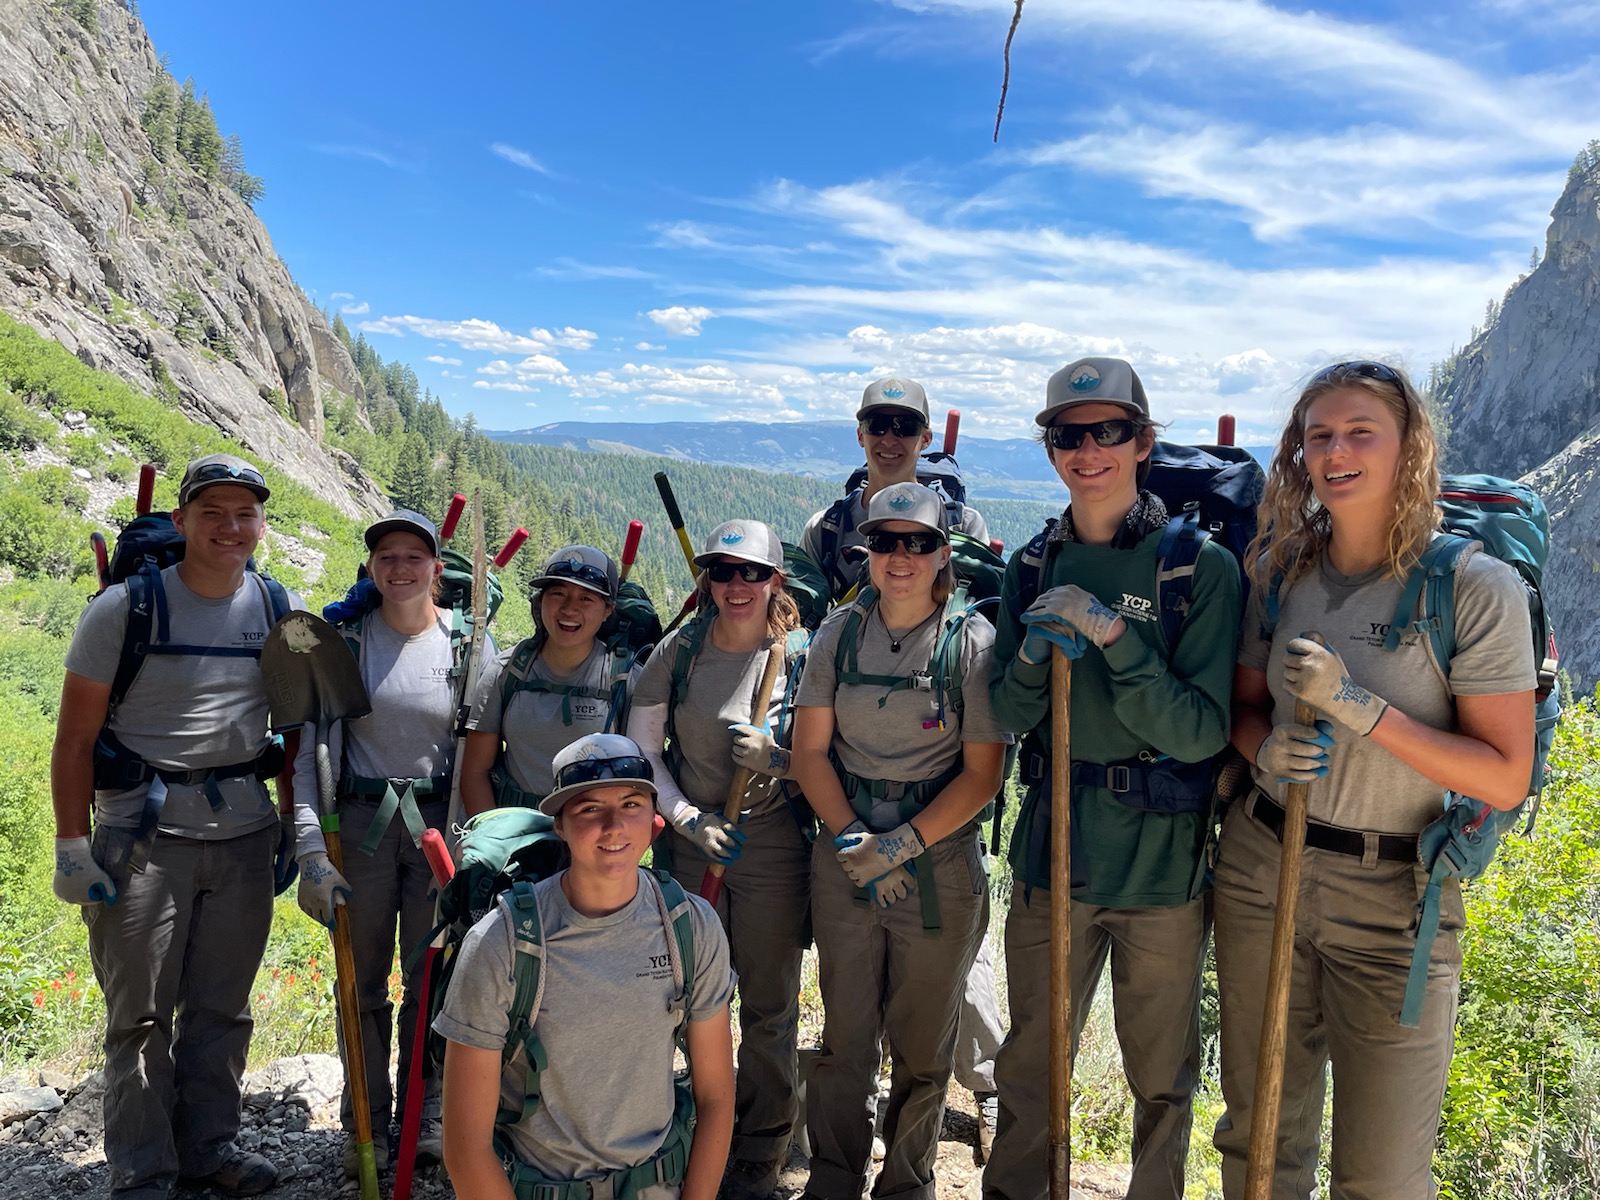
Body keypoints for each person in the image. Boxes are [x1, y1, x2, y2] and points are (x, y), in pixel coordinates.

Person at [1212, 361, 1535, 1199]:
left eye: (1361, 432)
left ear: (1409, 449)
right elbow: (1246, 711)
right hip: (1262, 871)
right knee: (1258, 1141)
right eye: (1319, 435)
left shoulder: (1470, 587)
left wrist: (1360, 707)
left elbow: (1504, 777)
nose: (1337, 451)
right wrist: (1262, 753)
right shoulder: (1283, 574)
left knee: (1385, 1175)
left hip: (1397, 902)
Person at [984, 358, 1242, 1200]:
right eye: (1069, 435)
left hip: (1161, 865)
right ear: (1050, 449)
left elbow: (1200, 731)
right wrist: (1029, 655)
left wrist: (1114, 640)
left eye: (1109, 431)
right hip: (1051, 851)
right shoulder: (1030, 565)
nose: (1088, 450)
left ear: (1143, 441)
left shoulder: (1196, 571)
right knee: (1029, 1061)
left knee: (1160, 1075)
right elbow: (1010, 716)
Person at [51, 453, 300, 1199]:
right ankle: (143, 1171)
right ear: (183, 519)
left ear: (261, 523)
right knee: (139, 1015)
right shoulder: (124, 609)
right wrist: (71, 846)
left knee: (222, 1006)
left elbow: (289, 730)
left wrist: (298, 828)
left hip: (245, 836)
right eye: (213, 512)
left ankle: (208, 1148)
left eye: (245, 513)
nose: (231, 526)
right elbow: (72, 739)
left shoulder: (274, 605)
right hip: (142, 841)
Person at [798, 374, 1007, 1157]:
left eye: (918, 544)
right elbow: (813, 742)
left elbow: (981, 772)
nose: (899, 555)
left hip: (938, 839)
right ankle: (835, 1168)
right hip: (846, 816)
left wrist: (903, 844)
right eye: (884, 543)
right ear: (860, 432)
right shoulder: (833, 561)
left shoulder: (967, 638)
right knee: (849, 1026)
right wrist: (854, 837)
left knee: (934, 1010)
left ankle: (940, 1137)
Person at [435, 732, 737, 1200]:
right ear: (559, 825)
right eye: (590, 808)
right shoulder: (501, 943)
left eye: (632, 804)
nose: (615, 826)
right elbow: (465, 1149)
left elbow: (716, 1097)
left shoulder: (691, 927)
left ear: (654, 821)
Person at [289, 508, 477, 1175]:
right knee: (360, 982)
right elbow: (311, 758)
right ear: (371, 568)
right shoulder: (343, 643)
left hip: (437, 830)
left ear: (436, 568)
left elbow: (486, 750)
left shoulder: (467, 644)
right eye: (386, 557)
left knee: (434, 982)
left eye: (414, 557)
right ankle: (363, 1117)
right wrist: (311, 853)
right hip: (360, 829)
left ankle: (426, 1114)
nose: (400, 568)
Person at [627, 519, 809, 1200]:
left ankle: (763, 1150)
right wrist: (685, 818)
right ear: (709, 579)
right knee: (685, 993)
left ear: (775, 581)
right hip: (689, 838)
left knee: (768, 1002)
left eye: (752, 573)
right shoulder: (681, 650)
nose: (738, 585)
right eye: (724, 572)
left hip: (769, 843)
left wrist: (780, 760)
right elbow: (642, 749)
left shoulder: (800, 656)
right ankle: (699, 1126)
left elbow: (825, 760)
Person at [462, 544, 633, 814]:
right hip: (515, 831)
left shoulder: (623, 678)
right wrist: (488, 836)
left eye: (586, 599)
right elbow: (474, 772)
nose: (569, 609)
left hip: (593, 835)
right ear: (541, 601)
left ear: (607, 610)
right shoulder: (507, 670)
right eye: (558, 594)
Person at [799, 375, 990, 600]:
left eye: (905, 427)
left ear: (926, 439)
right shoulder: (825, 529)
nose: (889, 439)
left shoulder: (963, 525)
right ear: (861, 435)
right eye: (877, 426)